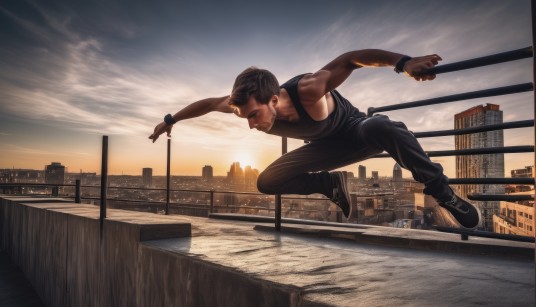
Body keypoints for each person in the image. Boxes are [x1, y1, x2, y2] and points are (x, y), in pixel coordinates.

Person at [149, 49, 480, 228]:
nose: (251, 125)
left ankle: (444, 194)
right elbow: (208, 104)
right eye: (246, 117)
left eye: (255, 116)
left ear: (274, 100)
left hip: (355, 131)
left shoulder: (308, 89)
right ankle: (330, 184)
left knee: (382, 127)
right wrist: (170, 120)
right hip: (323, 150)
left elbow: (349, 59)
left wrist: (403, 63)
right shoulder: (240, 107)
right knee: (267, 181)